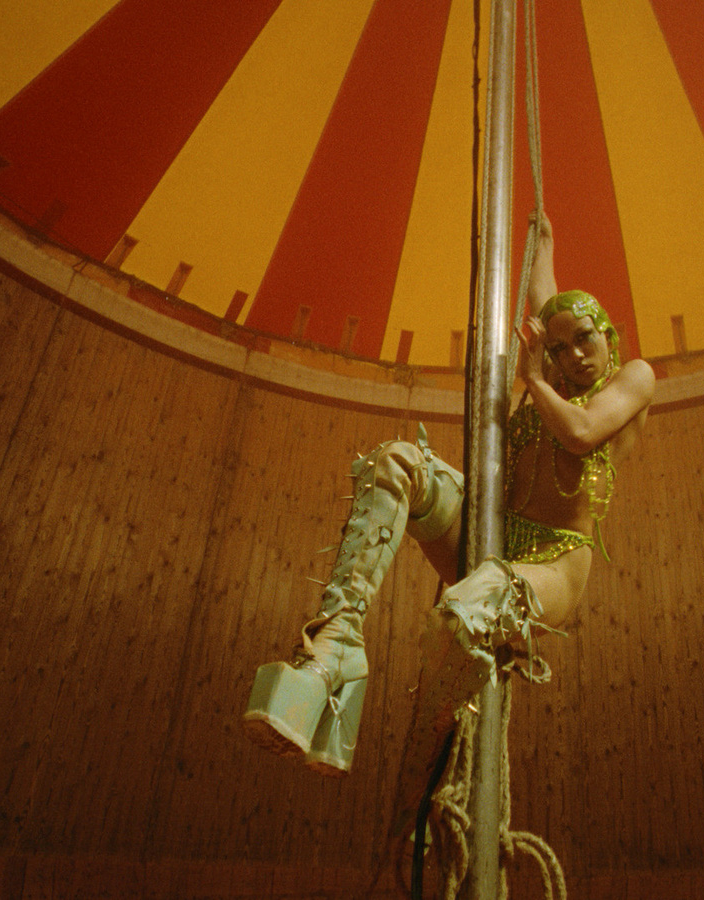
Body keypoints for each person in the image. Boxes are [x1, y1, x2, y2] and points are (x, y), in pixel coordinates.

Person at [244, 211, 655, 776]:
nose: (573, 356)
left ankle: (442, 751)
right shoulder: (556, 372)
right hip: (493, 528)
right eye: (558, 350)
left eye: (584, 339)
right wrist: (541, 245)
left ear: (605, 334)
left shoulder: (632, 378)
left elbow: (582, 435)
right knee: (397, 464)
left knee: (467, 608)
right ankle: (337, 645)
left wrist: (534, 376)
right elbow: (545, 303)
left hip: (552, 562)